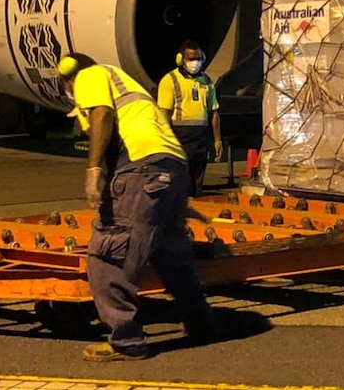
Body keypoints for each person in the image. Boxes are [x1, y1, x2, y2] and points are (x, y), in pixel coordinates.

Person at [57, 53, 218, 362]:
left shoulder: (90, 76)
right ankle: (202, 324)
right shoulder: (130, 86)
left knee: (109, 255)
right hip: (174, 167)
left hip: (140, 169)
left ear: (69, 78)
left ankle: (126, 341)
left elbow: (103, 114)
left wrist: (92, 171)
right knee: (171, 252)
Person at [156, 40, 222, 197]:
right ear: (181, 60)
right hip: (179, 137)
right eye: (191, 59)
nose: (195, 63)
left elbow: (214, 113)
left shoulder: (206, 81)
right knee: (179, 184)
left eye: (198, 59)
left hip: (200, 139)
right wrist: (166, 140)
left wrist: (217, 139)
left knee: (196, 185)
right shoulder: (170, 80)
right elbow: (164, 113)